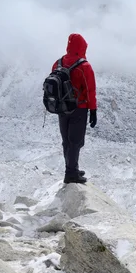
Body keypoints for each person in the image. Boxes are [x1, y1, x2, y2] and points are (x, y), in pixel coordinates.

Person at [52, 33, 97, 184]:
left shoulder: (58, 63)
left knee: (66, 140)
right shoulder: (85, 66)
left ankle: (72, 167)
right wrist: (93, 111)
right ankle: (71, 174)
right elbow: (90, 90)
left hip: (62, 108)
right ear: (82, 47)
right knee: (76, 141)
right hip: (79, 108)